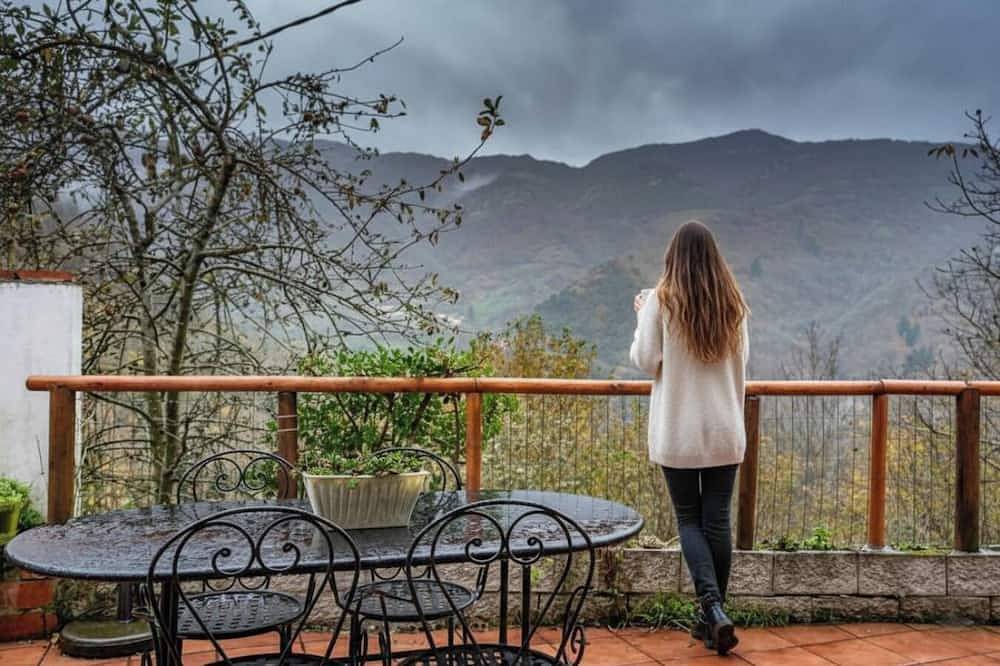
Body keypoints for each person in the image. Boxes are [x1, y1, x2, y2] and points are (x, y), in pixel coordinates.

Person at [629, 220, 749, 656]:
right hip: (724, 429)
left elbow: (647, 359)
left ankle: (712, 610)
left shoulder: (661, 302)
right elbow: (741, 367)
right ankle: (712, 616)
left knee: (688, 520)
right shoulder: (734, 306)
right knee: (717, 520)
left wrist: (643, 312)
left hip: (679, 431)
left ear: (672, 258)